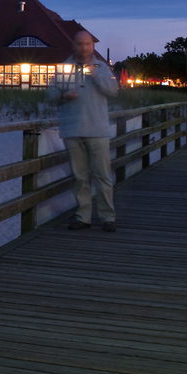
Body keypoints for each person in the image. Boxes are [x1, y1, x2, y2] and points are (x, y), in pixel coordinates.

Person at [49, 30, 119, 231]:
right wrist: (63, 96)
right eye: (80, 44)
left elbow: (113, 90)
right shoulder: (64, 68)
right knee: (79, 177)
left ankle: (108, 218)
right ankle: (83, 216)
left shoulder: (102, 67)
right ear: (74, 45)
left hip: (97, 129)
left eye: (87, 44)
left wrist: (96, 75)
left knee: (102, 175)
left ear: (93, 46)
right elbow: (51, 93)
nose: (84, 47)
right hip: (72, 129)